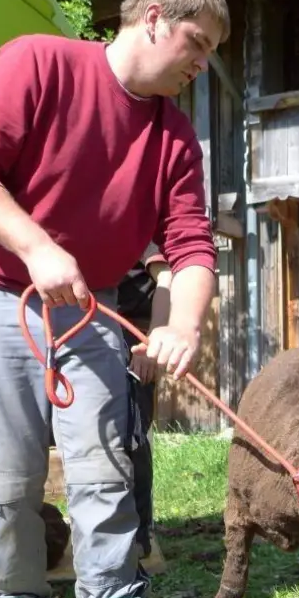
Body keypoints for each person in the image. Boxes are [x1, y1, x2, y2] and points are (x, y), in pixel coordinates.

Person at [0, 0, 223, 598]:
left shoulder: (173, 136)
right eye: (197, 42)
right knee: (1, 486)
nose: (202, 63)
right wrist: (34, 245)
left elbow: (191, 244)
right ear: (154, 17)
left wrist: (181, 326)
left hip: (93, 307)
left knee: (106, 472)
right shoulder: (37, 63)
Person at [116, 244, 173, 578]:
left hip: (135, 340)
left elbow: (166, 278)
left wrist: (151, 343)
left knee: (134, 437)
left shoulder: (139, 227)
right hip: (90, 335)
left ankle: (140, 534)